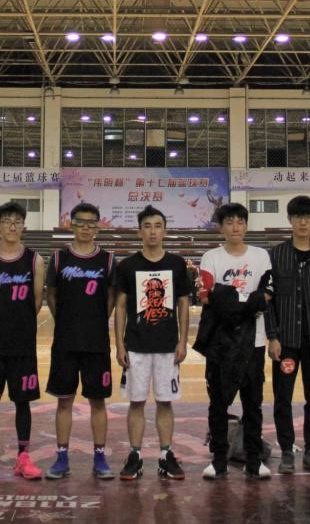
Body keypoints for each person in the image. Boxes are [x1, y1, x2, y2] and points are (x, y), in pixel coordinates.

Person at [113, 205, 191, 480]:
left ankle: (165, 455)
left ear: (165, 231)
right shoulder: (127, 266)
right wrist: (119, 345)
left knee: (165, 402)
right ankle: (135, 455)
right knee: (136, 402)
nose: (153, 231)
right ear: (139, 232)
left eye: (158, 226)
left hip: (168, 346)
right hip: (136, 346)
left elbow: (183, 303)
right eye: (147, 226)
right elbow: (120, 307)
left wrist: (183, 341)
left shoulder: (177, 264)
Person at [264, 195, 310, 475]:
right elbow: (268, 302)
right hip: (286, 343)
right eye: (298, 217)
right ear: (290, 220)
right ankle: (286, 451)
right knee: (282, 398)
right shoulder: (275, 256)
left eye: (308, 217)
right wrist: (273, 336)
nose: (303, 222)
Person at [0, 201, 46, 481]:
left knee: (23, 402)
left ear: (24, 226)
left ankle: (23, 457)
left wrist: (18, 324)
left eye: (17, 221)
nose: (12, 226)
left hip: (23, 345)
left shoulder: (35, 261)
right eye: (6, 221)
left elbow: (36, 302)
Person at [197, 202, 272, 480]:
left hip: (254, 342)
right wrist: (247, 304)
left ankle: (254, 459)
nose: (235, 227)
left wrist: (229, 298)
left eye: (240, 222)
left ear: (246, 225)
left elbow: (267, 295)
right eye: (229, 222)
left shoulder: (261, 256)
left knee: (253, 403)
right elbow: (207, 296)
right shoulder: (211, 258)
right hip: (221, 342)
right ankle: (219, 460)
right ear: (221, 227)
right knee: (218, 404)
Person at [46, 202, 116, 480]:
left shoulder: (107, 260)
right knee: (64, 402)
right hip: (65, 342)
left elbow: (111, 298)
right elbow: (51, 295)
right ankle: (62, 457)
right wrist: (65, 321)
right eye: (81, 222)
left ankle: (100, 457)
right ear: (71, 225)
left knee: (98, 402)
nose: (86, 227)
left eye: (91, 223)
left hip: (96, 343)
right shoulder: (59, 258)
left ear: (98, 227)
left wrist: (96, 321)